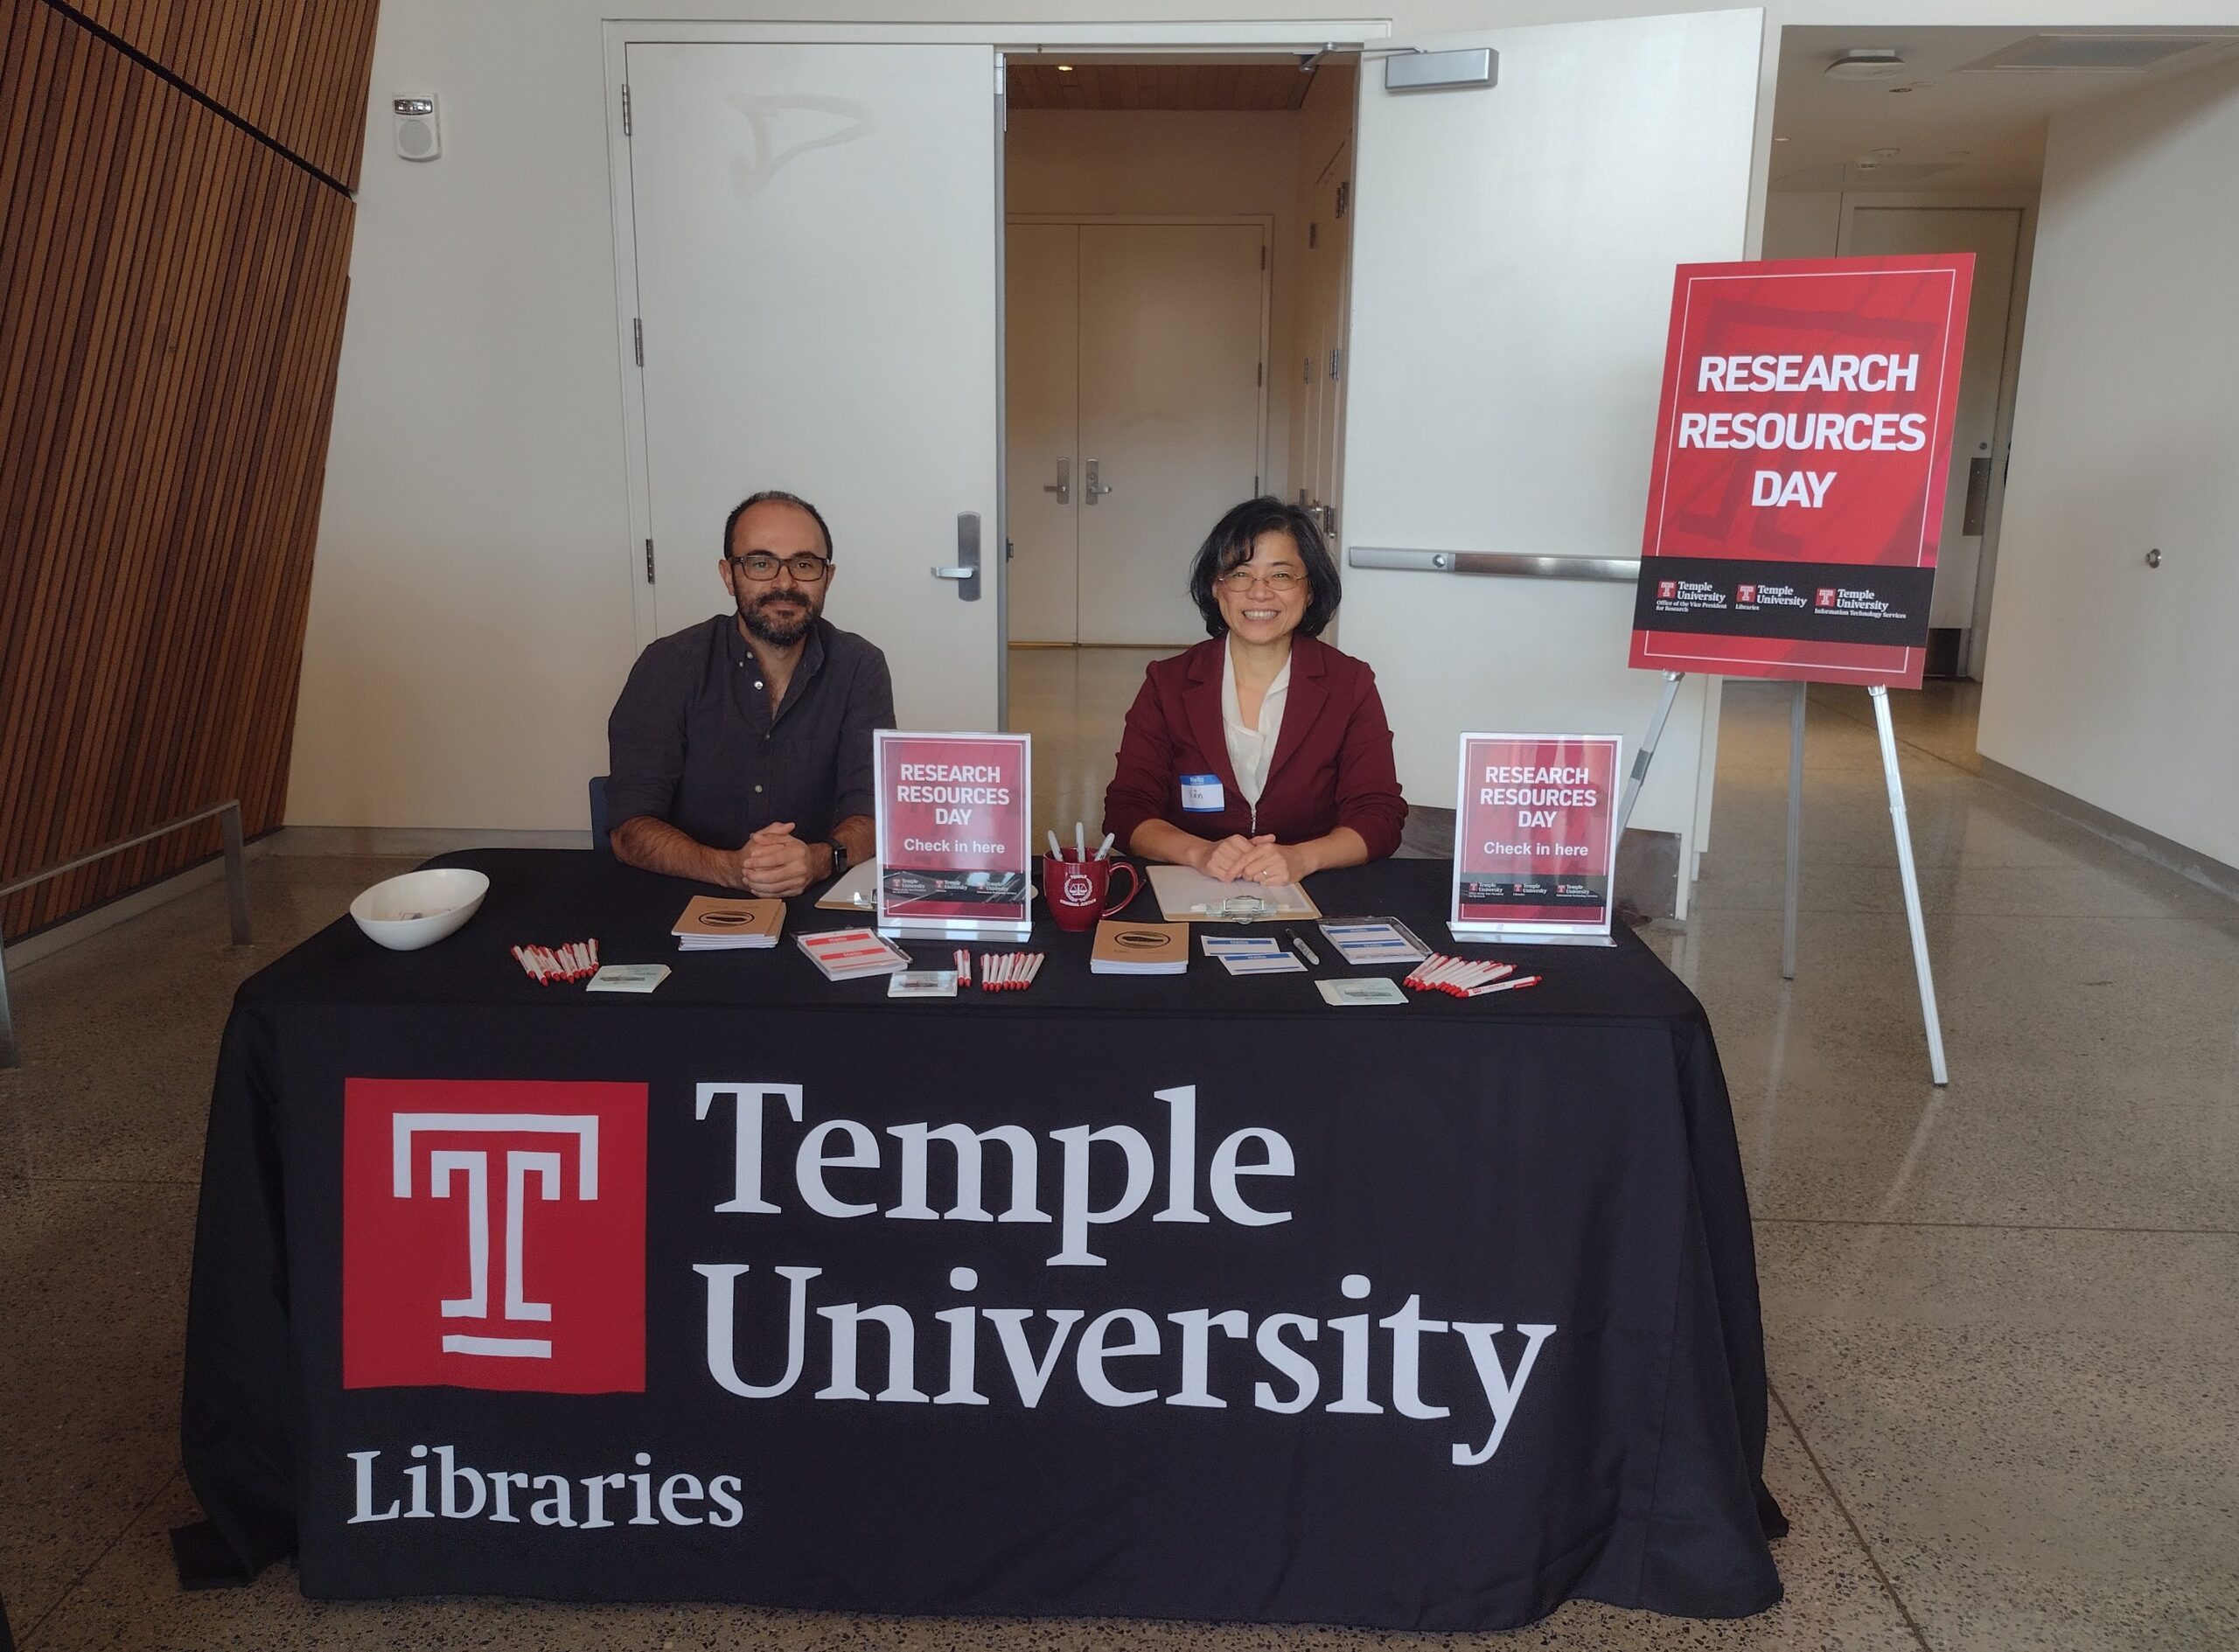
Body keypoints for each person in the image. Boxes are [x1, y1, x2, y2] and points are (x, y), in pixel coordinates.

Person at [1101, 497, 1405, 884]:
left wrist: (1303, 858)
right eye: (1240, 574)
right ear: (1216, 587)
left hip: (1312, 889)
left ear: (1309, 590)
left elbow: (1379, 815)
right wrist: (1199, 853)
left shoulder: (1349, 683)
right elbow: (1126, 811)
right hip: (1194, 886)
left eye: (1281, 576)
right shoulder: (1169, 682)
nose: (1259, 593)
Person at [605, 490, 893, 896]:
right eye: (760, 563)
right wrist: (730, 868)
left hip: (817, 893)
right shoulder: (669, 664)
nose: (785, 583)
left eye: (804, 564)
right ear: (728, 576)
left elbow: (873, 812)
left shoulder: (860, 666)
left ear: (827, 578)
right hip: (685, 892)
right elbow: (630, 827)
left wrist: (818, 860)